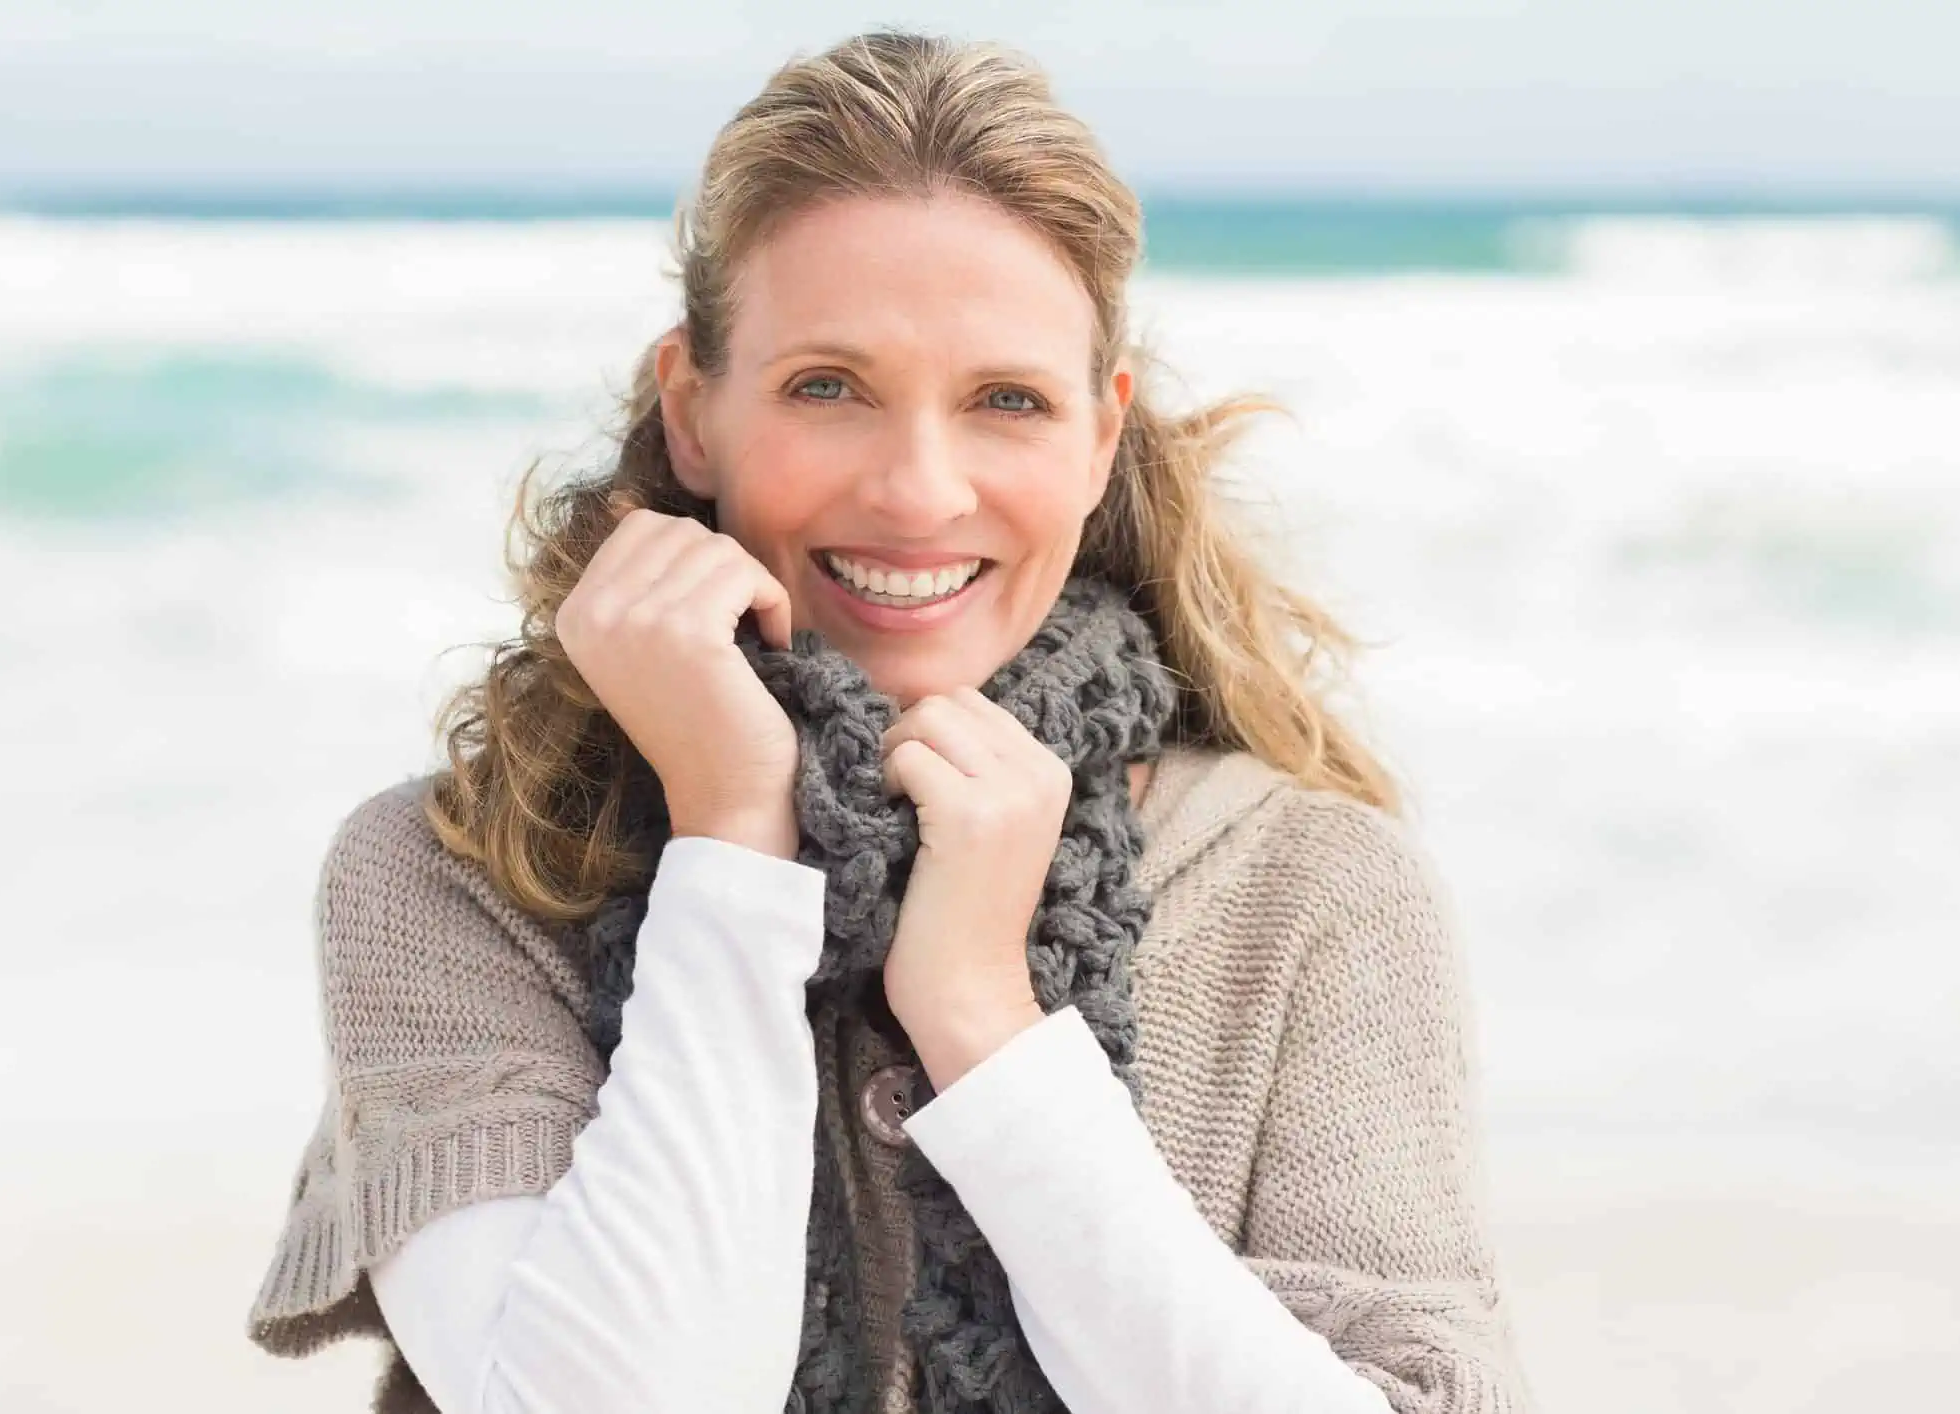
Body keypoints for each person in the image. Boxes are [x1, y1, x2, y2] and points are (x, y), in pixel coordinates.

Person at [244, 29, 1532, 1414]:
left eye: (1006, 401)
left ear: (1099, 440)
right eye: (828, 387)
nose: (920, 493)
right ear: (693, 410)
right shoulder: (455, 877)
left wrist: (986, 1019)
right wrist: (732, 839)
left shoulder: (1310, 889)